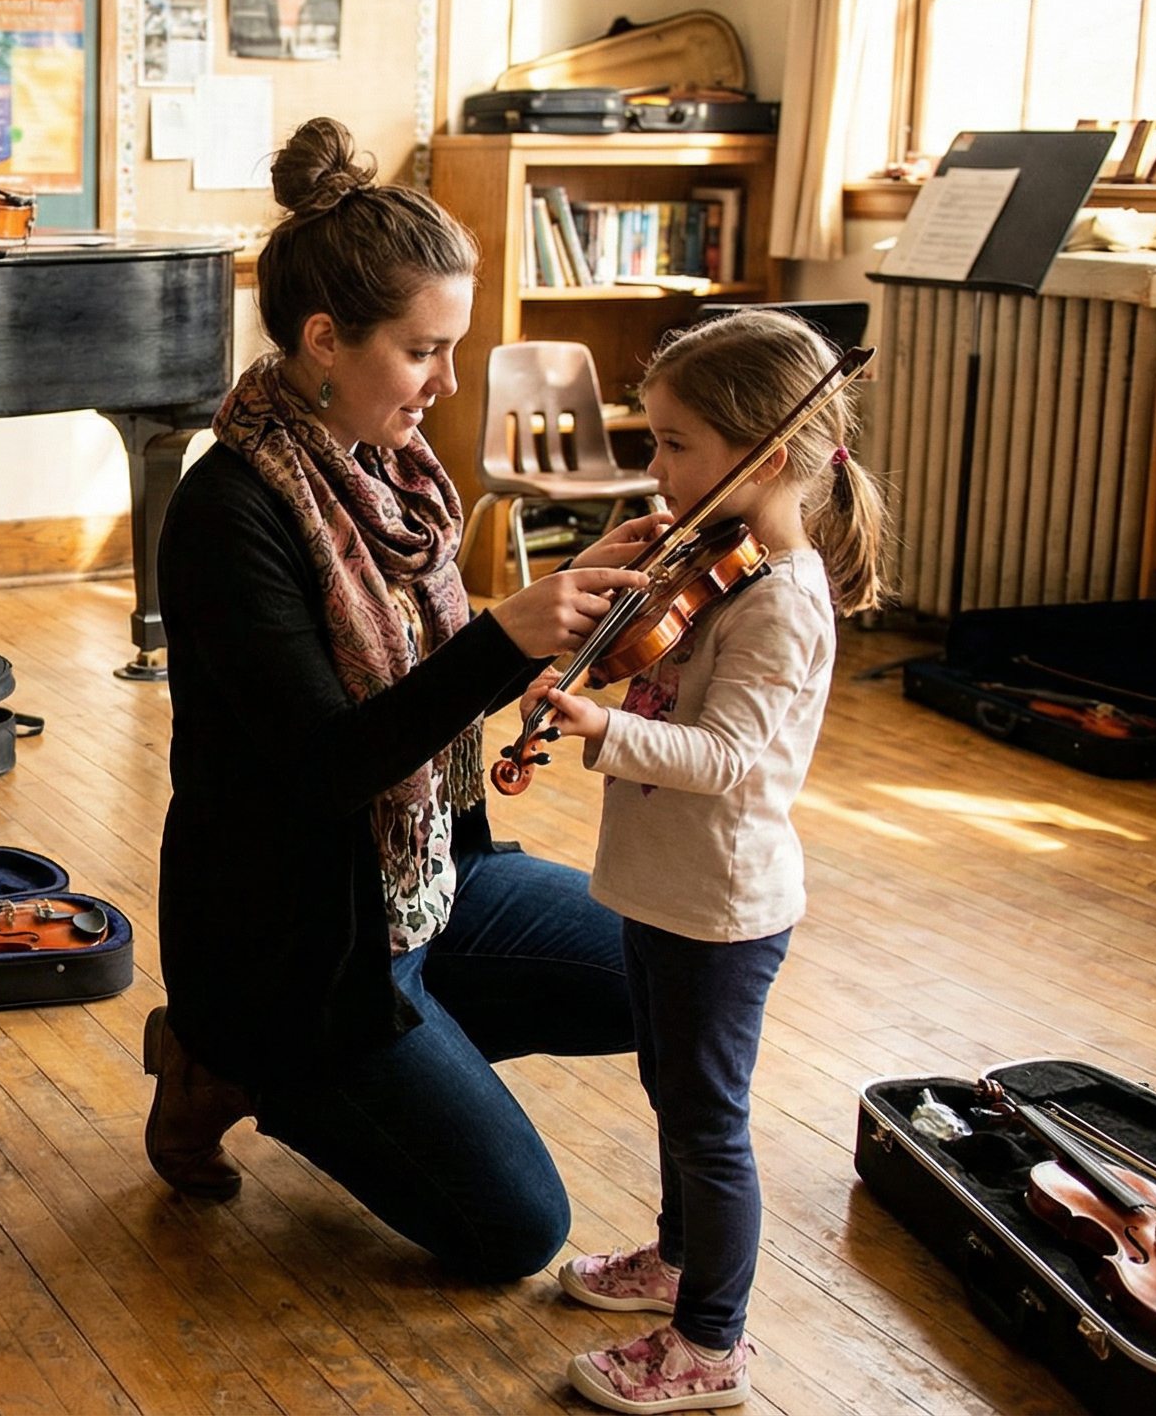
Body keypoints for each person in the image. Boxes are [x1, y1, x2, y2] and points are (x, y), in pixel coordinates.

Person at [144, 116, 657, 1284]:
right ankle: (233, 1059)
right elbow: (328, 766)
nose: (450, 382)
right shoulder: (229, 513)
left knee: (666, 971)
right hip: (299, 945)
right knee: (514, 1231)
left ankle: (407, 1064)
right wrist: (501, 640)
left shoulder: (391, 474)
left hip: (429, 882)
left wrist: (560, 618)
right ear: (324, 339)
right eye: (424, 351)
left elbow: (430, 691)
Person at [529, 311, 881, 1413]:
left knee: (708, 1125)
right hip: (662, 887)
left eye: (674, 443)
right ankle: (677, 1262)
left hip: (720, 908)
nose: (654, 466)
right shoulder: (719, 571)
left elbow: (728, 757)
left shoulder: (780, 601)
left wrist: (601, 726)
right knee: (670, 1091)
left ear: (763, 457)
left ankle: (711, 1343)